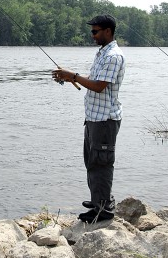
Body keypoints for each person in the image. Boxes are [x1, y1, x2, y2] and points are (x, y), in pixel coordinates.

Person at [52, 14, 125, 223]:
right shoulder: (102, 53)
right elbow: (93, 82)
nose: (92, 35)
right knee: (92, 162)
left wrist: (73, 75)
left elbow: (99, 86)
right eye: (92, 31)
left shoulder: (113, 56)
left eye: (95, 31)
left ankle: (103, 210)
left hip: (105, 119)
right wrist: (69, 78)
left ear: (108, 32)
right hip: (93, 117)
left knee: (101, 163)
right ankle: (98, 201)